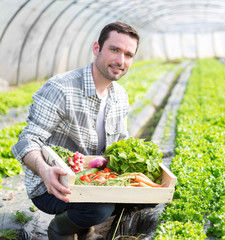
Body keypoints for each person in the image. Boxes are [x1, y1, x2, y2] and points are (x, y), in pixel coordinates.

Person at [11, 21, 139, 240]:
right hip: (51, 185)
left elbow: (120, 147)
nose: (121, 61)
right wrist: (44, 170)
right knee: (100, 209)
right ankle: (61, 230)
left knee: (145, 196)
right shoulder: (61, 88)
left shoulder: (120, 97)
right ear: (97, 48)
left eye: (128, 54)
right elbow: (27, 140)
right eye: (114, 50)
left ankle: (83, 226)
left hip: (91, 180)